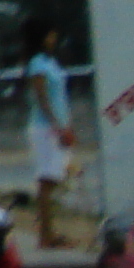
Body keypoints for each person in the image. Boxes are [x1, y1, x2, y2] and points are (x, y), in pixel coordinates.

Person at [27, 26, 76, 249]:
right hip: (45, 129)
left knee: (55, 178)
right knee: (47, 180)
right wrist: (57, 126)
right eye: (50, 33)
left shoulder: (51, 62)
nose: (54, 37)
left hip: (58, 126)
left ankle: (48, 229)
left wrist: (67, 126)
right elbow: (42, 97)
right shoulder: (37, 63)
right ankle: (45, 234)